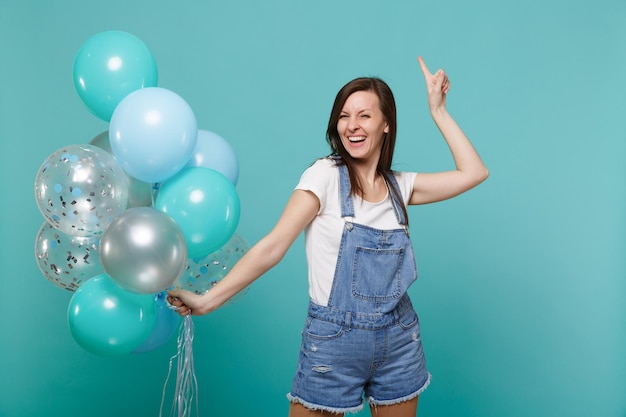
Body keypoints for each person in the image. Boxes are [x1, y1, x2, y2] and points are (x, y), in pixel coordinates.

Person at [167, 56, 489, 417]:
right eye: (344, 116)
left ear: (386, 124)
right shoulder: (323, 175)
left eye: (365, 115)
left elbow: (474, 172)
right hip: (334, 341)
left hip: (399, 339)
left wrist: (439, 111)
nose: (352, 125)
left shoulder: (401, 187)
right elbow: (274, 246)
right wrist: (209, 300)